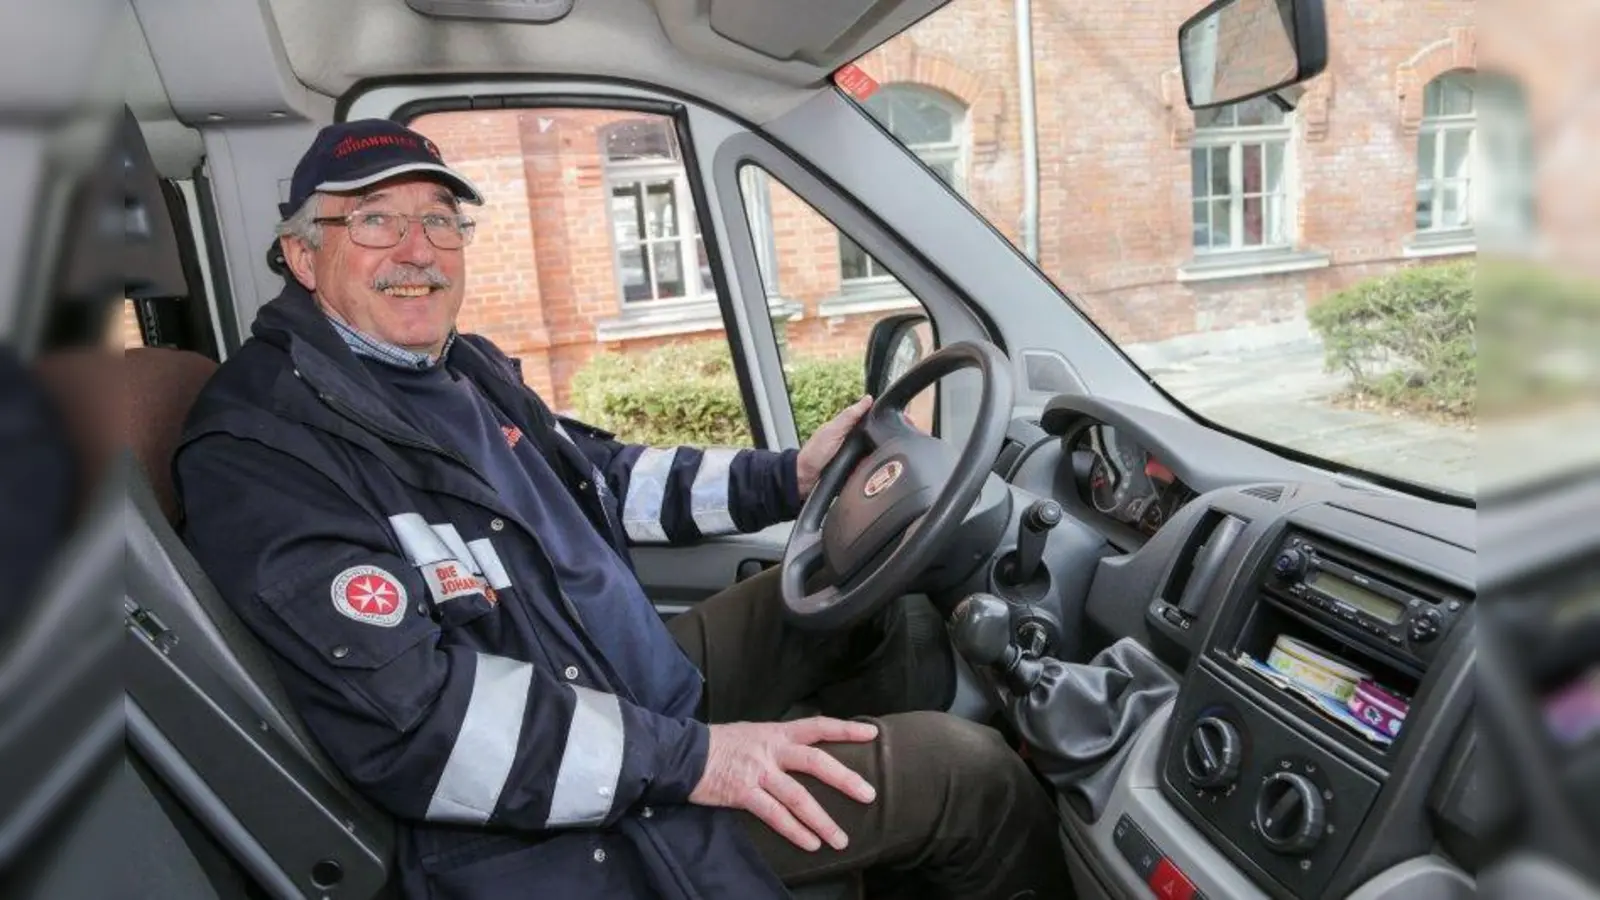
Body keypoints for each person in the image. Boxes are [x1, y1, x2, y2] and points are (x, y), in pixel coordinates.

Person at [173, 119, 1070, 900]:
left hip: (619, 682)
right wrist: (702, 761)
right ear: (302, 253)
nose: (418, 250)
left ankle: (866, 844)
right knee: (968, 774)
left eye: (440, 221)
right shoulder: (264, 448)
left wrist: (789, 477)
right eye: (374, 219)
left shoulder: (458, 366)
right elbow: (424, 726)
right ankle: (894, 807)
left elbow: (599, 475)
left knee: (868, 587)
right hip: (552, 822)